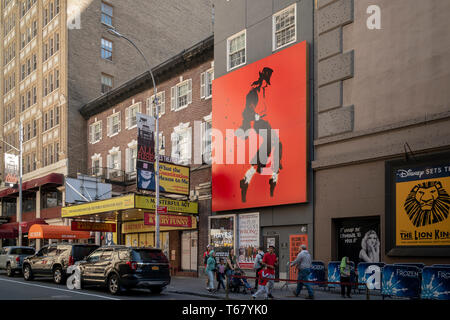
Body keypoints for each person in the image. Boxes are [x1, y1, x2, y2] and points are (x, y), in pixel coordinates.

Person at [235, 67, 283, 203]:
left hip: (265, 122)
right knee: (272, 141)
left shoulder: (265, 92)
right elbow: (245, 112)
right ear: (262, 78)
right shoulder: (253, 92)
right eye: (267, 79)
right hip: (257, 123)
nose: (268, 82)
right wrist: (256, 116)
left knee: (277, 143)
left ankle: (264, 175)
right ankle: (262, 170)